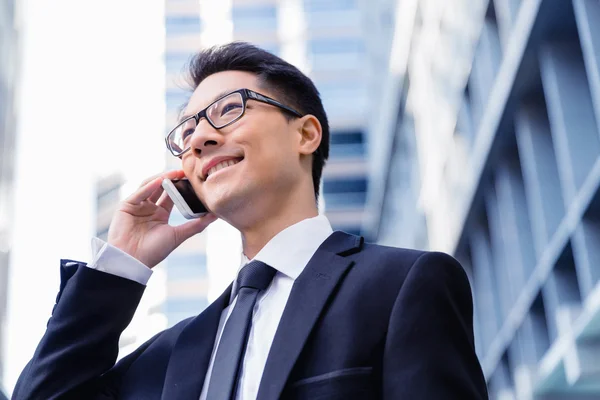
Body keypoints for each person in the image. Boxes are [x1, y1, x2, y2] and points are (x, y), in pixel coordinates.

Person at [13, 42, 488, 400]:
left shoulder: (401, 284)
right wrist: (119, 267)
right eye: (189, 129)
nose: (199, 138)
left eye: (228, 110)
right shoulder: (174, 351)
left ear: (305, 134)